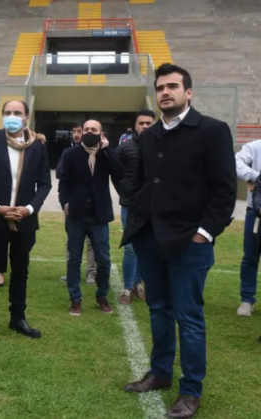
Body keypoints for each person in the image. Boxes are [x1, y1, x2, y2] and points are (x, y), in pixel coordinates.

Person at [122, 64, 237, 419]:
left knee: (189, 317)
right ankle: (159, 373)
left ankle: (190, 391)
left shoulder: (212, 130)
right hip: (150, 240)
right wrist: (138, 218)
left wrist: (205, 233)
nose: (165, 92)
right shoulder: (149, 135)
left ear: (188, 92)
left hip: (190, 242)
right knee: (158, 310)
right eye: (160, 88)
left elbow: (225, 190)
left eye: (172, 86)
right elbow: (142, 183)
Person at [0, 100, 51, 342]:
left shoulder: (37, 145)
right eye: (7, 112)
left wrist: (29, 209)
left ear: (26, 117)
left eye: (17, 112)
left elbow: (45, 184)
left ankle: (18, 317)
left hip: (24, 221)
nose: (12, 116)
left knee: (20, 271)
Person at [59, 120, 124, 316]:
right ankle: (75, 299)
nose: (88, 132)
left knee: (103, 260)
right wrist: (65, 204)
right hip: (76, 215)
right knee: (74, 259)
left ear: (101, 133)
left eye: (93, 130)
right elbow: (63, 180)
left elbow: (120, 173)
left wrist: (107, 150)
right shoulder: (70, 154)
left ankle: (102, 295)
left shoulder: (106, 154)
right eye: (86, 129)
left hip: (99, 216)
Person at [115, 109, 155, 305]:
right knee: (131, 247)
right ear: (135, 126)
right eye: (142, 123)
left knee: (146, 246)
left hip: (153, 206)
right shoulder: (124, 148)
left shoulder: (161, 146)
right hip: (130, 205)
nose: (145, 126)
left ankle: (139, 283)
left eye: (149, 123)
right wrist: (123, 190)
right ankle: (127, 287)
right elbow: (115, 172)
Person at [57, 122, 96, 285]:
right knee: (72, 240)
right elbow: (59, 172)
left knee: (91, 241)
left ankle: (92, 273)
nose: (77, 134)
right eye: (75, 132)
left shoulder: (98, 151)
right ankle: (71, 271)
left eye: (80, 131)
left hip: (92, 204)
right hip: (72, 204)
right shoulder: (68, 152)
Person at [235, 137, 261, 316]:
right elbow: (236, 162)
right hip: (256, 212)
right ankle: (247, 299)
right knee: (250, 256)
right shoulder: (254, 147)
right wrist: (256, 177)